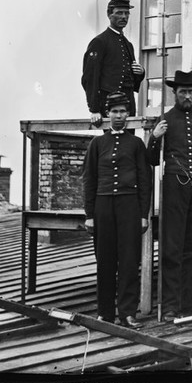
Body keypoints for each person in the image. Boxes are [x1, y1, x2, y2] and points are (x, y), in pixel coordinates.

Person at [147, 71, 192, 321]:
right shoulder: (165, 119)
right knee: (172, 247)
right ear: (175, 93)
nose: (187, 96)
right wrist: (154, 138)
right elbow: (150, 160)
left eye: (191, 92)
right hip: (174, 188)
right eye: (183, 92)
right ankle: (170, 304)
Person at [82, 92, 151, 329]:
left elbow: (144, 181)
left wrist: (143, 214)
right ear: (107, 114)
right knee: (105, 261)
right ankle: (105, 313)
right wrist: (89, 215)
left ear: (128, 114)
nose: (119, 116)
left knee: (130, 261)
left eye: (123, 111)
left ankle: (128, 313)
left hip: (129, 207)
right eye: (114, 111)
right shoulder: (97, 143)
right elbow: (89, 181)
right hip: (103, 208)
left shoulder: (136, 144)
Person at [81, 0, 145, 123]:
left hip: (128, 104)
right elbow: (90, 77)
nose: (124, 17)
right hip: (108, 104)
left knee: (128, 140)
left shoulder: (128, 44)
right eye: (119, 13)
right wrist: (94, 109)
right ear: (109, 15)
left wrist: (141, 72)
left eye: (127, 13)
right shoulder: (99, 42)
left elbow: (131, 80)